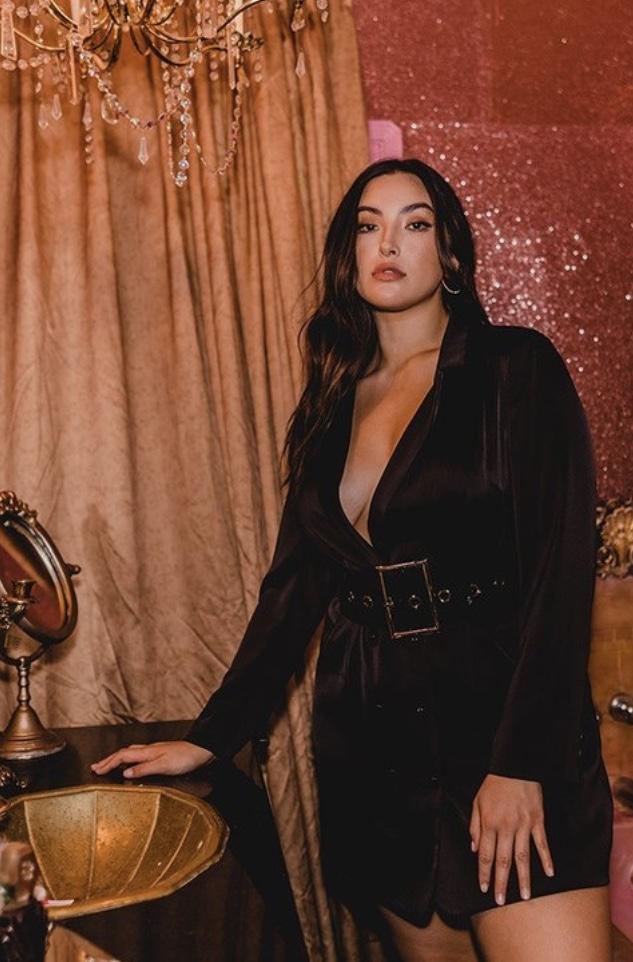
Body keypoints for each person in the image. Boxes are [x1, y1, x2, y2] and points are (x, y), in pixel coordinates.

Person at [92, 158, 613, 962]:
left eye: (414, 224)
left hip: (502, 732)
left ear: (449, 253)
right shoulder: (333, 396)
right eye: (368, 225)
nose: (388, 243)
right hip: (374, 750)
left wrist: (520, 767)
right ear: (348, 253)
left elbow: (559, 578)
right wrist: (213, 737)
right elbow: (294, 588)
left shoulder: (514, 368)